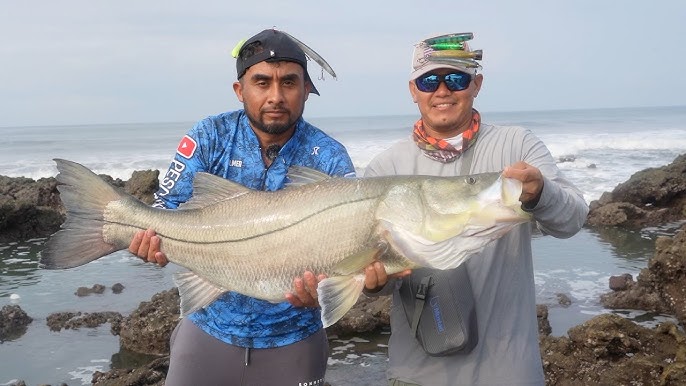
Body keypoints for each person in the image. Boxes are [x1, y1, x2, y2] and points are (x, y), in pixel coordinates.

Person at [128, 28, 355, 386]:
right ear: (240, 90)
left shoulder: (328, 157)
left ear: (306, 89)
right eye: (262, 82)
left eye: (289, 83)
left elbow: (347, 248)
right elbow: (166, 210)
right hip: (208, 327)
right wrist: (148, 241)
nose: (276, 96)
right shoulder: (209, 136)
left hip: (294, 340)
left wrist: (326, 290)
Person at [360, 33, 589, 385]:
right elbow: (377, 273)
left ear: (476, 84)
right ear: (413, 90)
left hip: (510, 370)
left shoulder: (517, 145)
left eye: (455, 78)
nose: (442, 91)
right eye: (428, 81)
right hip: (417, 373)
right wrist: (372, 283)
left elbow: (573, 219)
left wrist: (540, 193)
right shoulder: (385, 169)